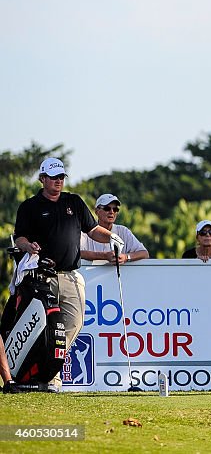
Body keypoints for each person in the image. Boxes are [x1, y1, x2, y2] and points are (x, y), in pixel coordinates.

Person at [13, 157, 123, 391]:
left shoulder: (74, 201)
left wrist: (111, 237)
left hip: (71, 276)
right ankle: (40, 378)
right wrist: (27, 246)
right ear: (43, 179)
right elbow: (20, 237)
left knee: (74, 323)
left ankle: (47, 373)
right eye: (53, 177)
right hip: (41, 277)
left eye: (61, 177)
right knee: (42, 329)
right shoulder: (30, 206)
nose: (58, 181)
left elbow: (93, 231)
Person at [80, 194, 150, 265]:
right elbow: (77, 253)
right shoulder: (85, 231)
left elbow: (144, 253)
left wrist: (126, 257)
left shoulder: (123, 231)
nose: (112, 212)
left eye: (115, 209)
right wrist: (104, 256)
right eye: (107, 208)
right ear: (96, 211)